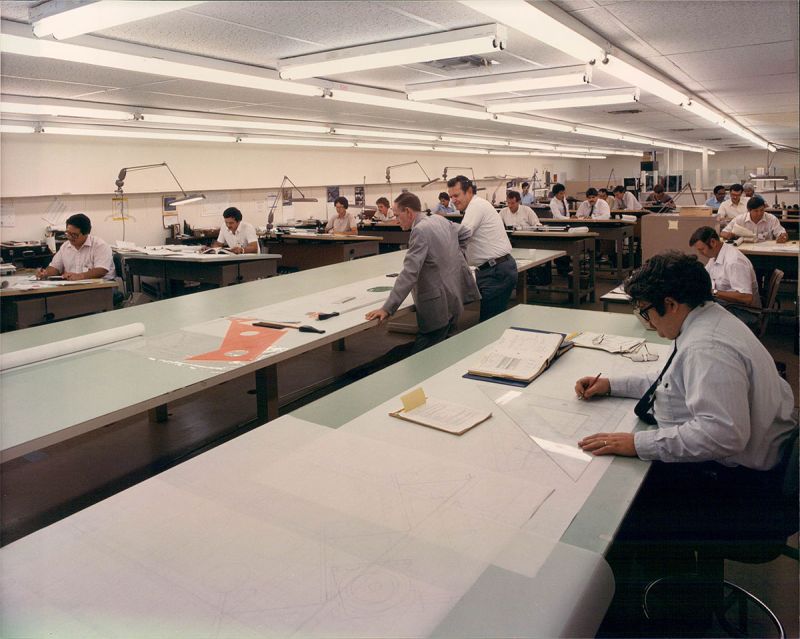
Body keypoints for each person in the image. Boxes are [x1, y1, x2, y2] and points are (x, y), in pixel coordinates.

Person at [574, 251, 796, 631]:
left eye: (646, 312)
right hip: (758, 468)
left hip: (746, 493)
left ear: (672, 304)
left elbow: (722, 434)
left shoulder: (707, 347)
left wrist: (637, 444)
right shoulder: (708, 319)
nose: (646, 322)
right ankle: (672, 578)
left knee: (621, 510)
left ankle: (650, 615)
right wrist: (612, 384)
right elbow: (672, 382)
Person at [365, 192, 479, 352]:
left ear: (408, 212)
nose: (396, 220)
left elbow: (409, 274)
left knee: (425, 353)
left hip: (437, 306)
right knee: (445, 349)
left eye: (397, 215)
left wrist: (387, 308)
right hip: (453, 297)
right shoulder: (439, 219)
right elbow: (465, 233)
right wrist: (454, 256)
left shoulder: (420, 230)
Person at [447, 175, 517, 322]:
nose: (453, 200)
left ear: (469, 191)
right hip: (493, 269)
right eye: (451, 196)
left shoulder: (476, 206)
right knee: (493, 321)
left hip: (495, 272)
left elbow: (462, 235)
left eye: (456, 195)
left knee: (489, 324)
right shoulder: (476, 206)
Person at [690, 226, 760, 326]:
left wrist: (713, 292)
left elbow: (746, 298)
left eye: (702, 249)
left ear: (713, 242)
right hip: (728, 305)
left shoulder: (734, 261)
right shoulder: (715, 256)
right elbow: (704, 276)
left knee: (698, 317)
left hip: (744, 312)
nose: (700, 253)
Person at [37, 213, 116, 281]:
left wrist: (80, 276)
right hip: (75, 287)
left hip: (101, 288)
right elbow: (55, 267)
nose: (70, 237)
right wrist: (46, 273)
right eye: (68, 233)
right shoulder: (65, 246)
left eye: (74, 235)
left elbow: (102, 270)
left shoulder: (100, 246)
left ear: (86, 233)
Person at [721, 194, 788, 243]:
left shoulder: (771, 219)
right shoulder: (740, 219)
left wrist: (783, 237)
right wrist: (729, 235)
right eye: (756, 211)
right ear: (749, 210)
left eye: (762, 210)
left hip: (766, 252)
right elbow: (723, 233)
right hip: (745, 251)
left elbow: (782, 233)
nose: (759, 213)